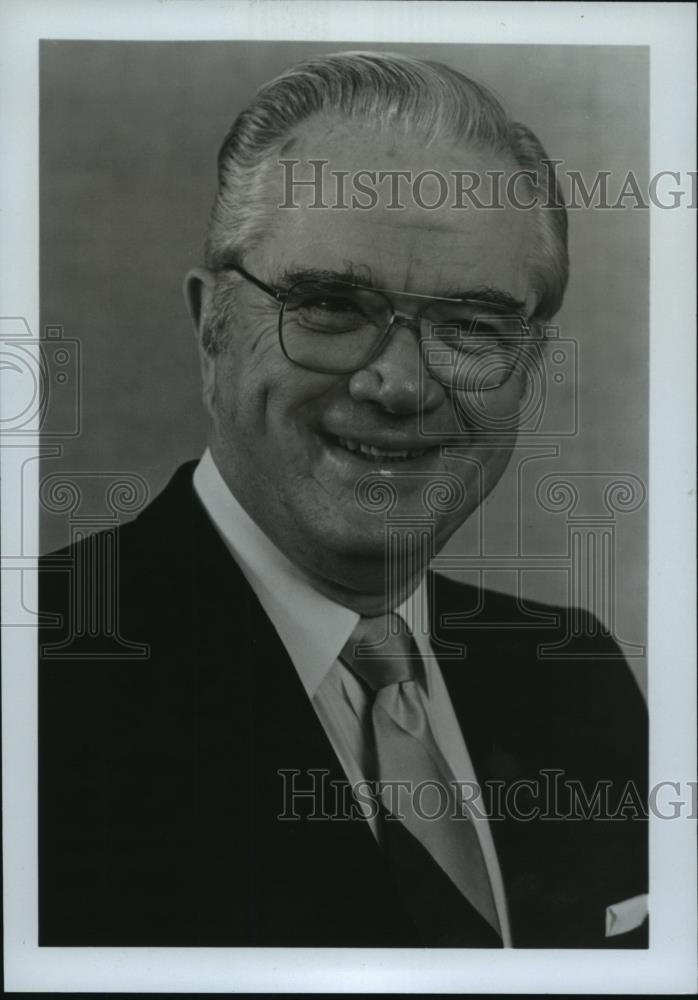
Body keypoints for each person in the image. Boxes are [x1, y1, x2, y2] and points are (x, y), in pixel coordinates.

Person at [38, 51, 647, 948]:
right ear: (212, 328)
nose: (399, 385)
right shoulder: (41, 674)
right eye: (329, 305)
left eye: (473, 326)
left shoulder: (574, 675)